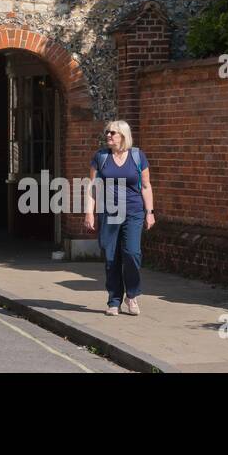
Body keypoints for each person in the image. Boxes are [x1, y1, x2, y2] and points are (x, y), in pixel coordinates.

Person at [83, 120, 155, 316]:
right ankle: (114, 300)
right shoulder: (101, 157)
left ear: (123, 136)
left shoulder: (137, 156)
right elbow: (92, 186)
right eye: (107, 132)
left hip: (134, 211)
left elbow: (146, 186)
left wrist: (150, 212)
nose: (108, 136)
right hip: (108, 212)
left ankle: (132, 295)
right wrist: (89, 212)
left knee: (132, 253)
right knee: (111, 256)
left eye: (112, 133)